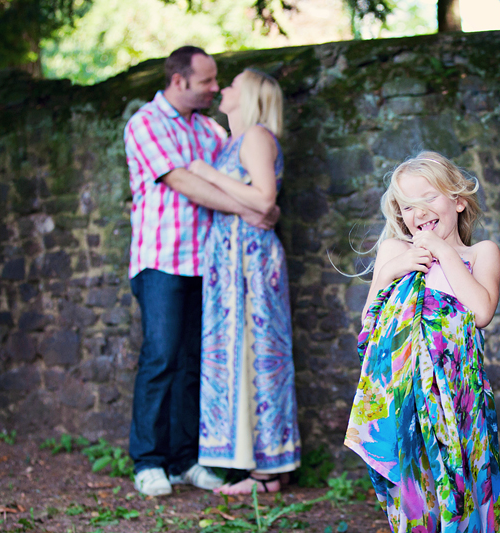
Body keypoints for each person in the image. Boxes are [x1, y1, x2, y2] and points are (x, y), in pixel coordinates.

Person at [124, 47, 278, 497]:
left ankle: (185, 460)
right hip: (162, 261)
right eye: (207, 81)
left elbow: (238, 180)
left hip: (210, 267)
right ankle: (149, 461)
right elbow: (185, 182)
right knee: (161, 357)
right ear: (179, 81)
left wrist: (262, 206)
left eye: (217, 81)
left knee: (196, 363)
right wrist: (249, 210)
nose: (215, 87)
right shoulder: (146, 123)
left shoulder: (210, 130)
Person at [344, 152, 500, 532]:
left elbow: (482, 310)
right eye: (408, 206)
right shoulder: (396, 251)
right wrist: (391, 271)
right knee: (418, 494)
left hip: (459, 395)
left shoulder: (480, 253)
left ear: (458, 201)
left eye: (429, 198)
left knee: (463, 490)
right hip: (408, 395)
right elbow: (370, 324)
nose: (419, 213)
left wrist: (444, 251)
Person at [187, 69, 301, 495]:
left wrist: (206, 173)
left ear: (249, 96)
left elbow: (264, 199)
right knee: (241, 355)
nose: (223, 89)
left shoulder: (254, 136)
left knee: (258, 354)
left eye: (232, 85)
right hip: (232, 260)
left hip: (249, 261)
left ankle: (267, 473)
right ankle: (261, 465)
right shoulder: (234, 140)